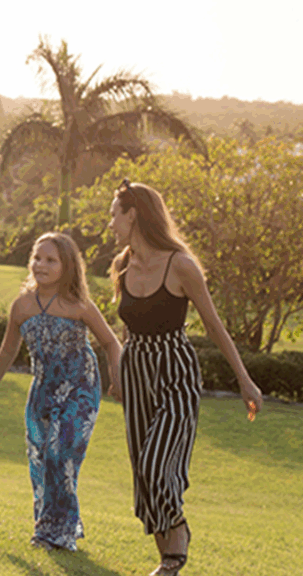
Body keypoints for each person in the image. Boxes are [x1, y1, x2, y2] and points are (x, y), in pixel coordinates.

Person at [107, 178, 264, 576]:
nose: (110, 223)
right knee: (142, 468)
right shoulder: (122, 265)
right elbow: (128, 326)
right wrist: (119, 372)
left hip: (174, 371)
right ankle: (167, 560)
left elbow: (213, 326)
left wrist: (244, 381)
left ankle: (177, 537)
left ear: (134, 215)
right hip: (137, 370)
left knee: (158, 465)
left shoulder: (181, 265)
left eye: (114, 214)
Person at [0, 232, 121, 552]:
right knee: (40, 459)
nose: (41, 264)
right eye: (37, 258)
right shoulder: (22, 306)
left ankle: (62, 531)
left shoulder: (79, 305)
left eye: (50, 260)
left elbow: (111, 342)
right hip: (42, 388)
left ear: (67, 267)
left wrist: (118, 381)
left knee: (61, 453)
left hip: (80, 387)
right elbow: (6, 352)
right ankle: (47, 526)